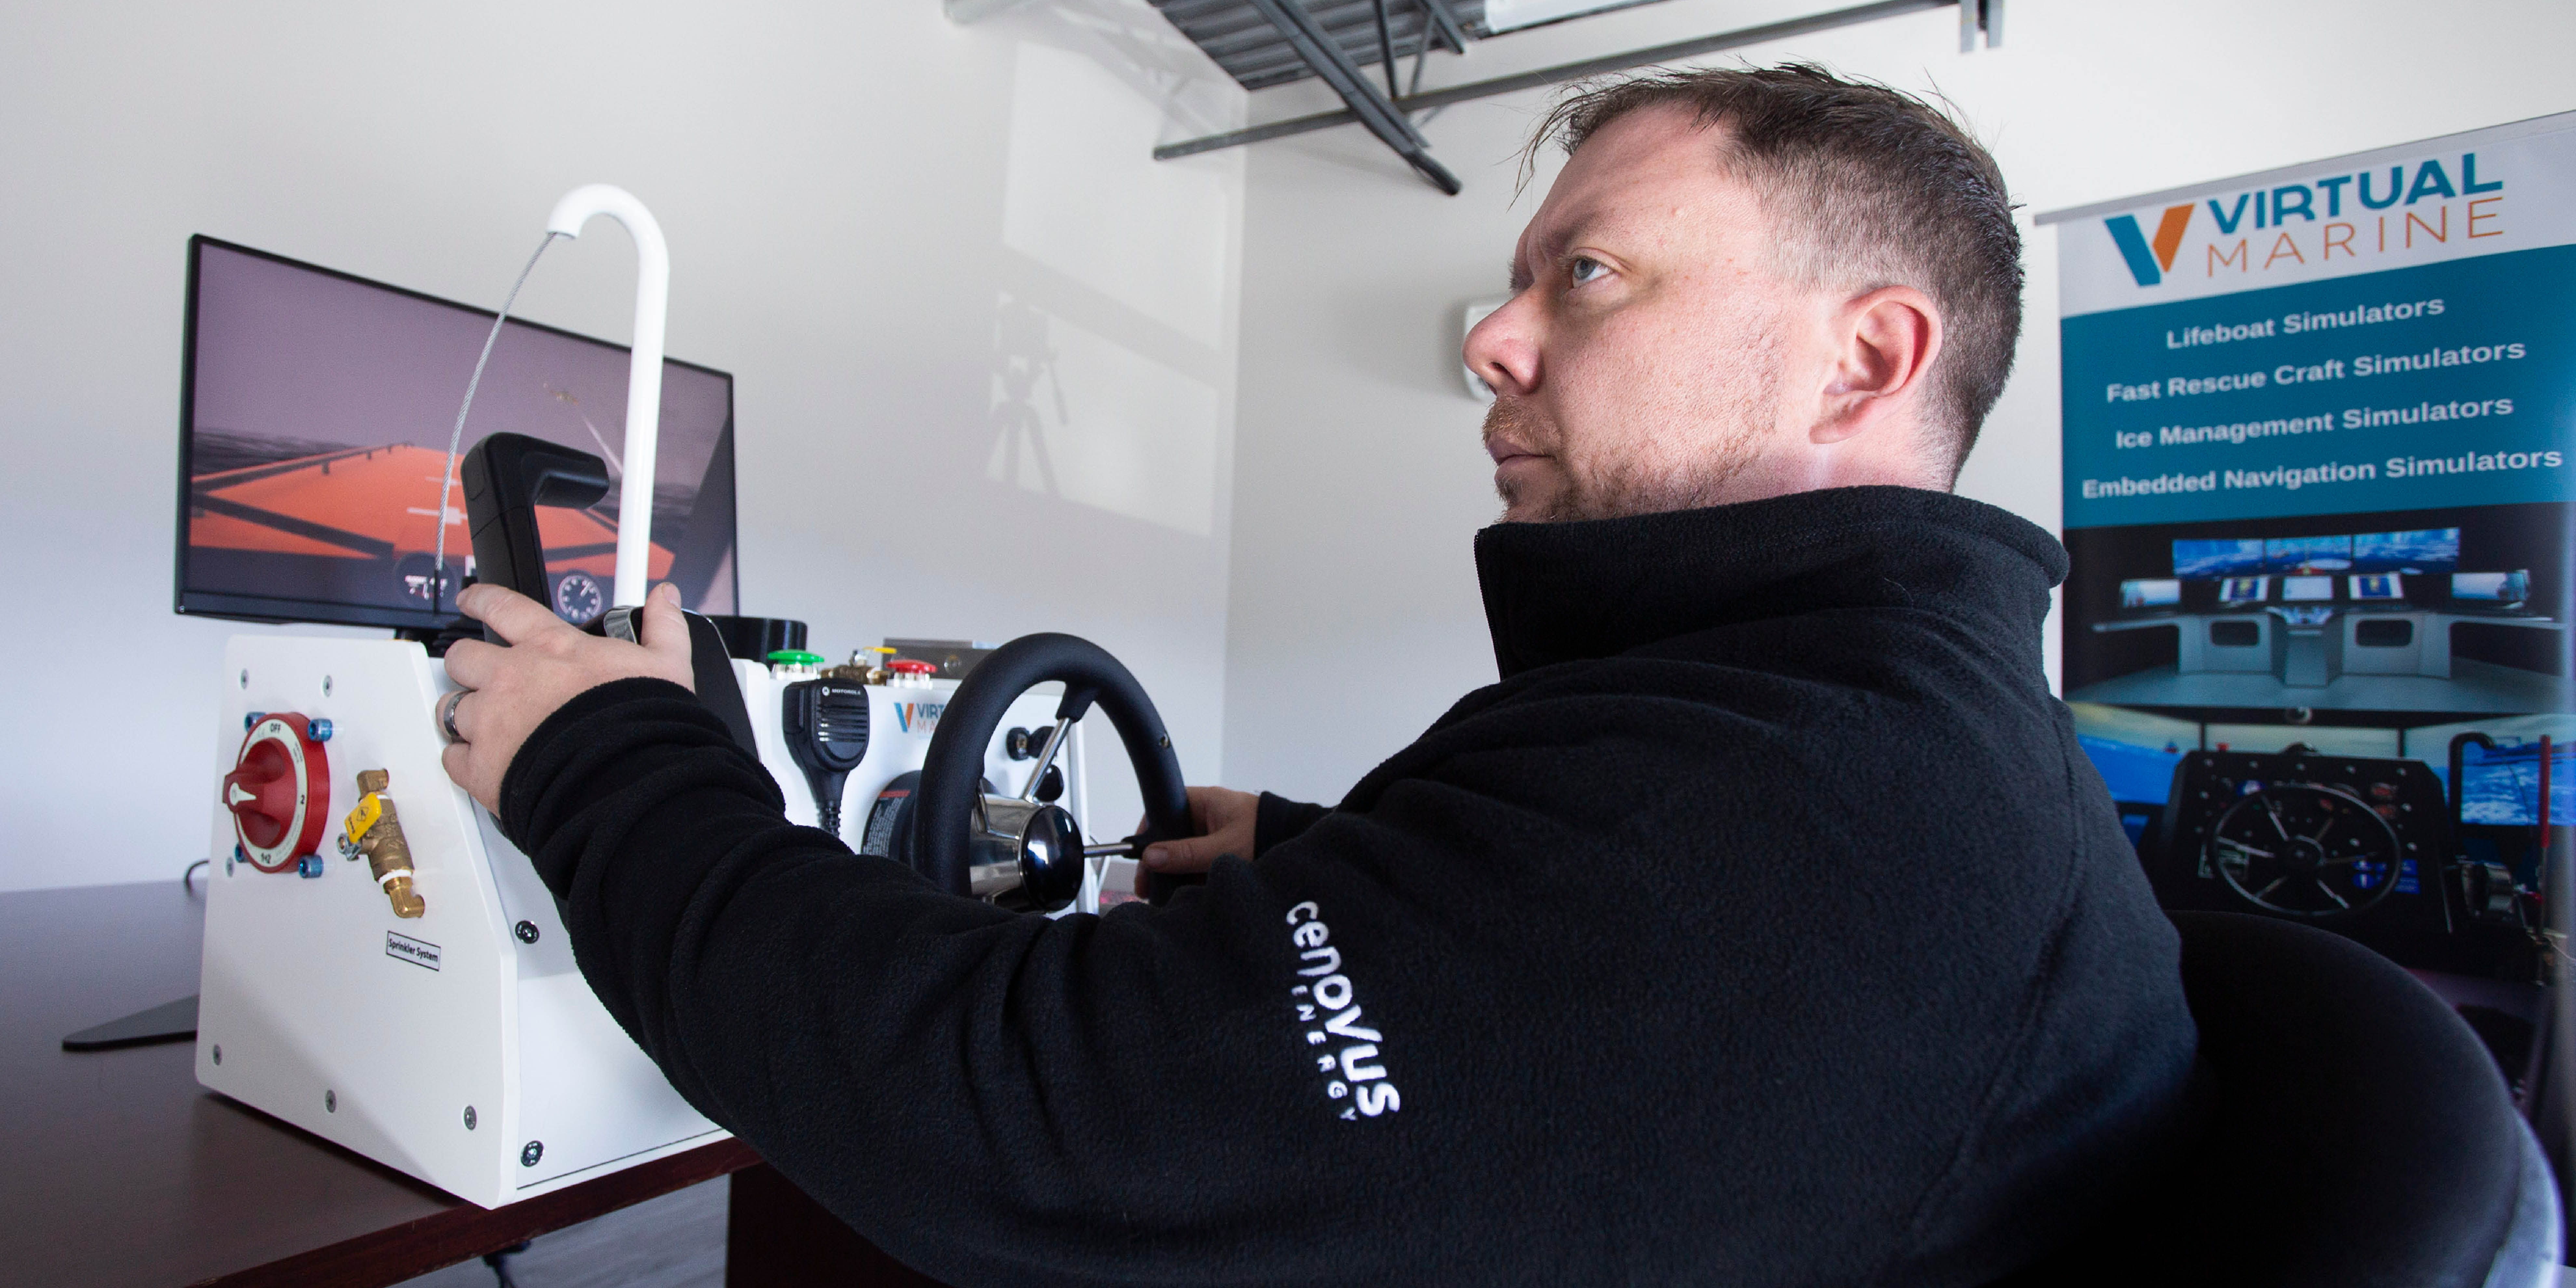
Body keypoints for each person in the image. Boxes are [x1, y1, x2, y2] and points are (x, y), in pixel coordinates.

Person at [436, 63, 2196, 1287]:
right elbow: (1598, 1009)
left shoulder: (1763, 798)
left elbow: (1010, 1117)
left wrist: (602, 761)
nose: (1489, 342)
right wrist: (1330, 854)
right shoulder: (1882, 734)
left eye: (1585, 276)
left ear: (1864, 356)